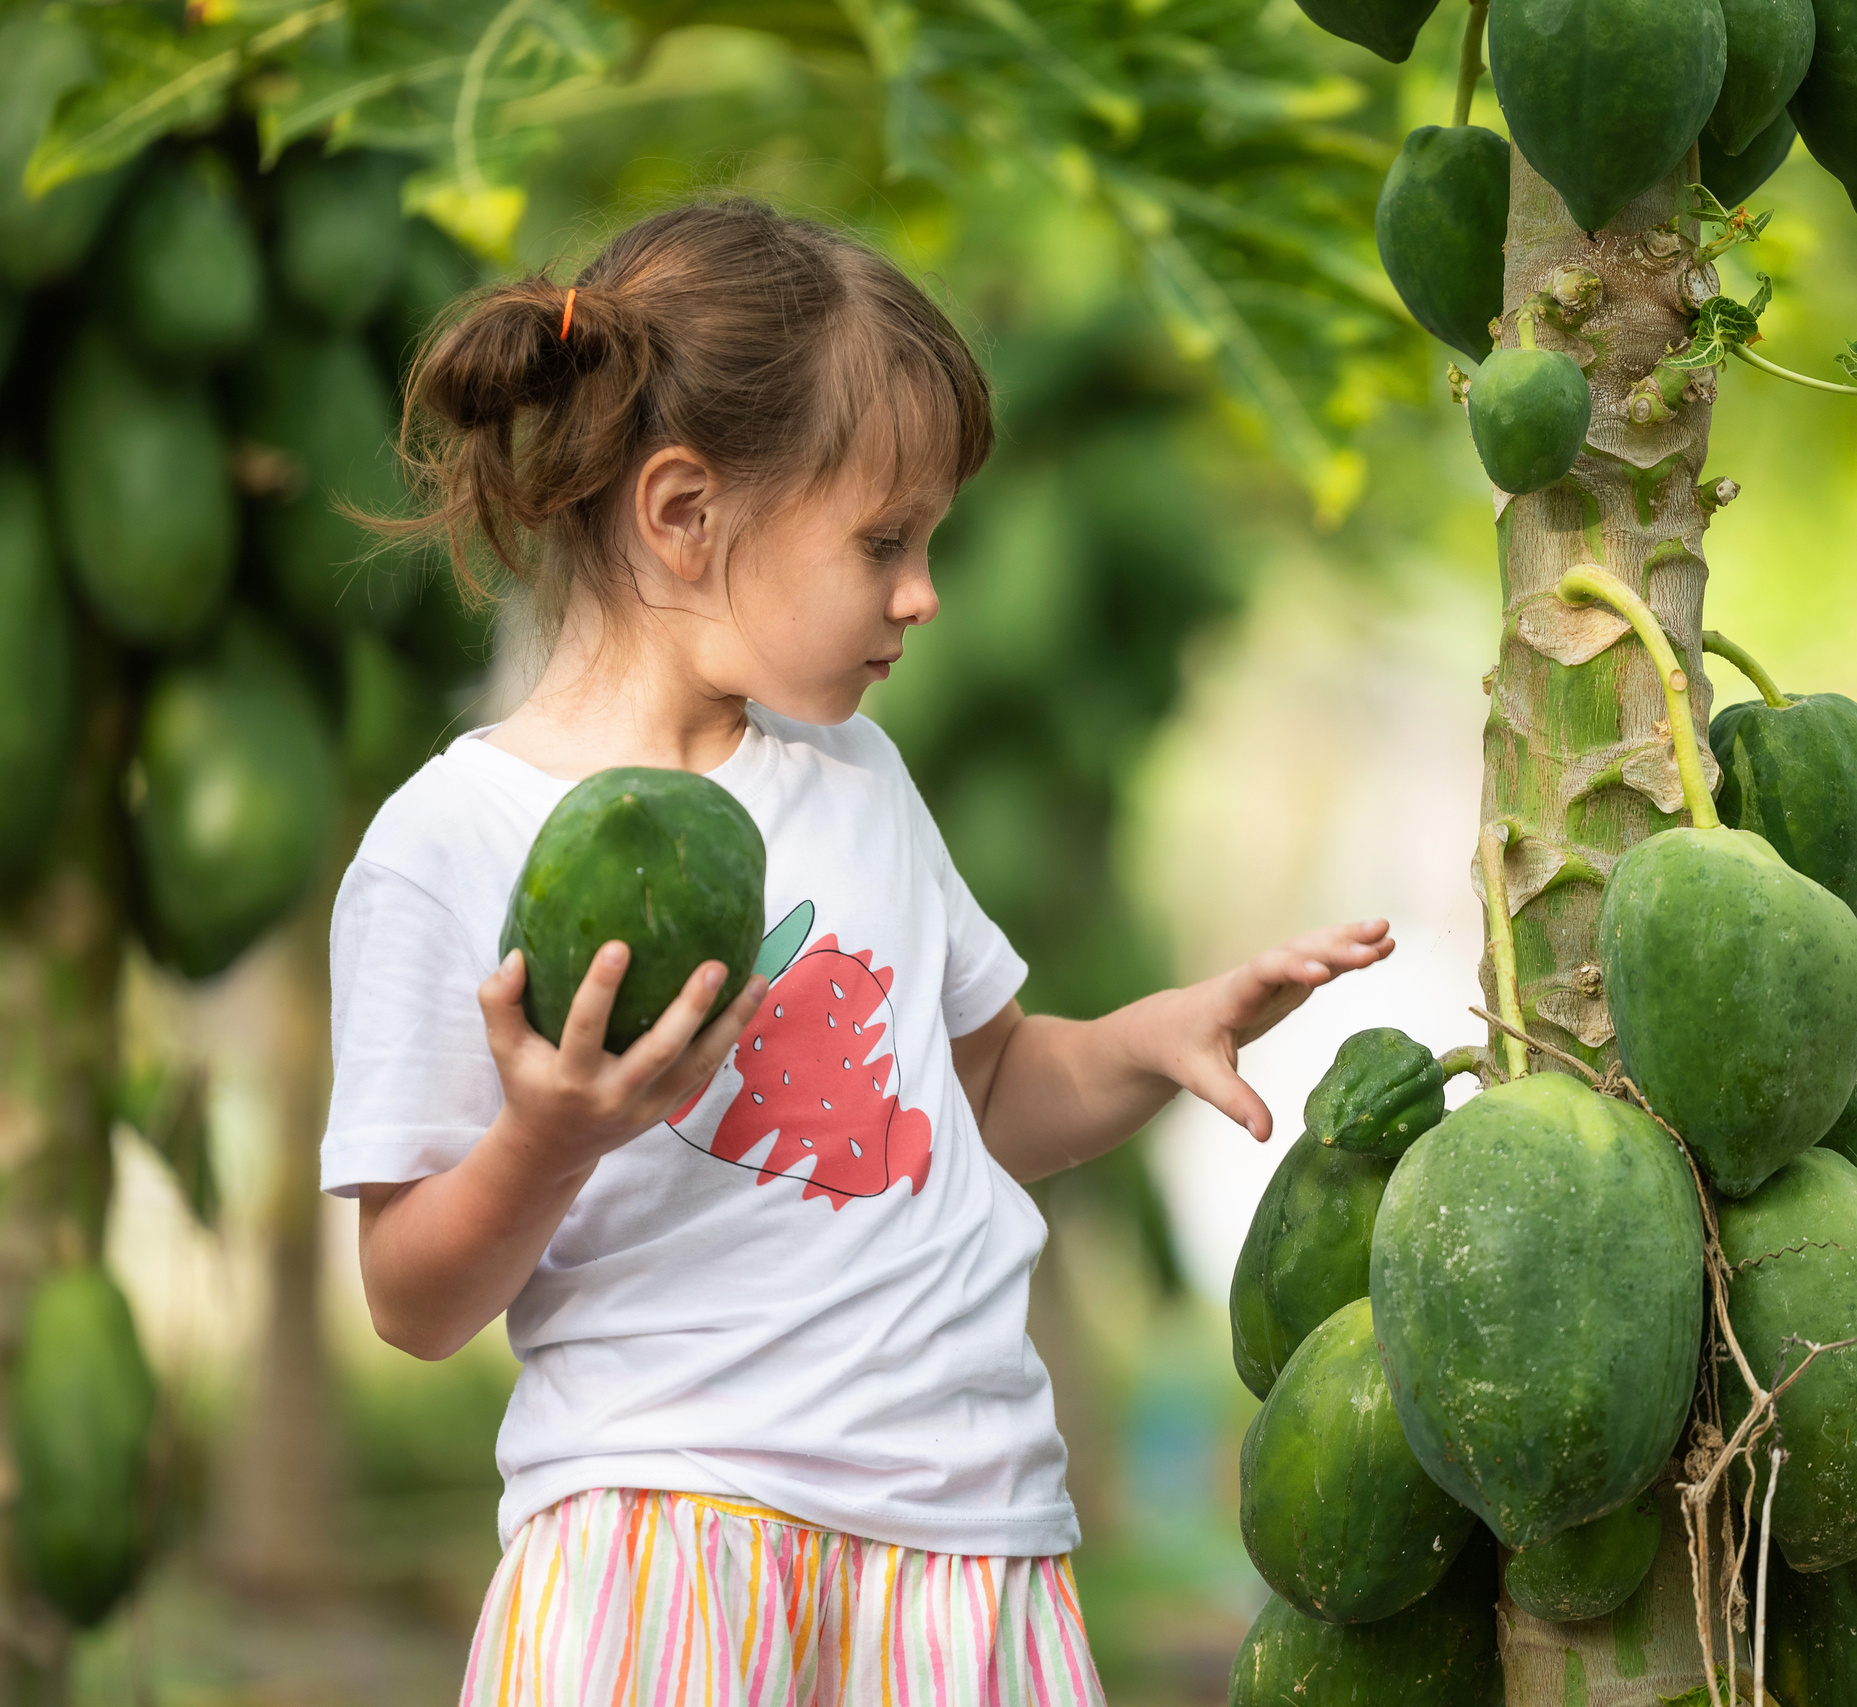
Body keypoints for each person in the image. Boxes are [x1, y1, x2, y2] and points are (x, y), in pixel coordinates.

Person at [328, 198, 1393, 1705]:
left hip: (962, 1546)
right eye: (884, 540)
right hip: (665, 1542)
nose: (923, 594)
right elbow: (411, 1300)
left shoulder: (860, 782)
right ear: (683, 514)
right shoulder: (451, 843)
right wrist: (550, 1137)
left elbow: (986, 1090)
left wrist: (1152, 1038)